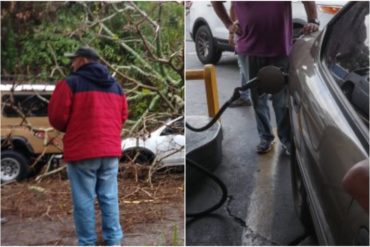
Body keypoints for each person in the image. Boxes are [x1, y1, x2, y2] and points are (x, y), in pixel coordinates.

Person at [212, 1, 319, 154]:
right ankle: (265, 137)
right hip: (249, 50)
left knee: (281, 100)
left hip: (280, 49)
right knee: (258, 99)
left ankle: (286, 139)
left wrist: (313, 21)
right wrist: (229, 26)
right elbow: (218, 2)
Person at [48, 47, 128, 245]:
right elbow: (123, 116)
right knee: (109, 197)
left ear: (83, 60)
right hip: (109, 150)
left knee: (84, 200)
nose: (72, 64)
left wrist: (74, 127)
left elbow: (57, 118)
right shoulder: (116, 86)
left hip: (82, 150)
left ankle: (87, 242)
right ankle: (114, 240)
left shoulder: (70, 83)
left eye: (74, 60)